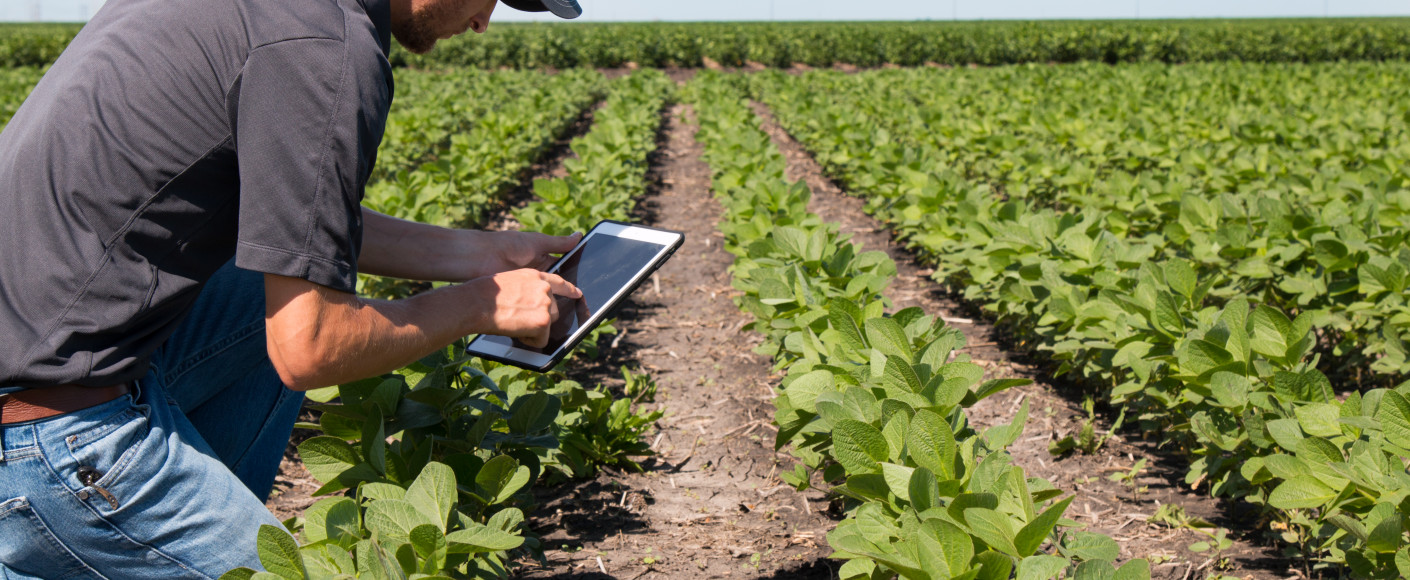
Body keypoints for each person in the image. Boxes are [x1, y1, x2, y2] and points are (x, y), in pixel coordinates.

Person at [0, 0, 584, 576]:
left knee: (262, 284)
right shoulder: (326, 45)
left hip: (38, 371)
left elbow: (290, 229)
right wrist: (483, 303)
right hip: (56, 440)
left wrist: (482, 254)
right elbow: (312, 347)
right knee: (292, 561)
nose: (484, 22)